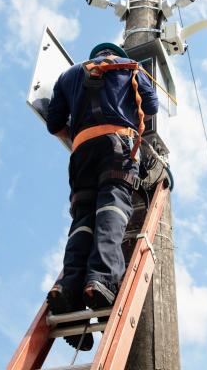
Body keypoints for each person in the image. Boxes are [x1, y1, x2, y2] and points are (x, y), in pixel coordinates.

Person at [46, 42, 158, 350]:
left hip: (81, 152)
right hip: (118, 146)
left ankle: (67, 287)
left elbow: (54, 122)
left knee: (83, 219)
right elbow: (151, 107)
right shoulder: (131, 69)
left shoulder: (68, 75)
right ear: (116, 54)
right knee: (112, 210)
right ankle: (101, 280)